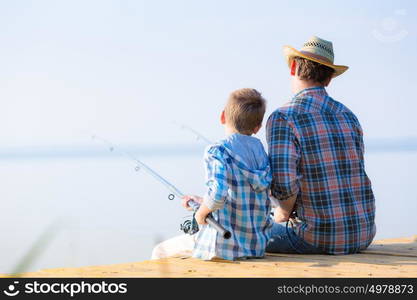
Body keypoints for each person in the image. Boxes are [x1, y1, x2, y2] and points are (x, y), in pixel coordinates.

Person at [266, 36, 376, 255]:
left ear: (294, 67)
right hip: (363, 234)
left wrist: (280, 214)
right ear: (329, 79)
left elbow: (285, 186)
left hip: (314, 238)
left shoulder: (284, 117)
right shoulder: (348, 115)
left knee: (239, 229)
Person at [152, 88, 273, 260]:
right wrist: (202, 202)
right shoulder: (260, 152)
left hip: (223, 244)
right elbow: (241, 194)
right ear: (257, 128)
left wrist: (200, 214)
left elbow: (217, 195)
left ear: (222, 116)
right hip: (254, 246)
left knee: (159, 251)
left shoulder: (217, 151)